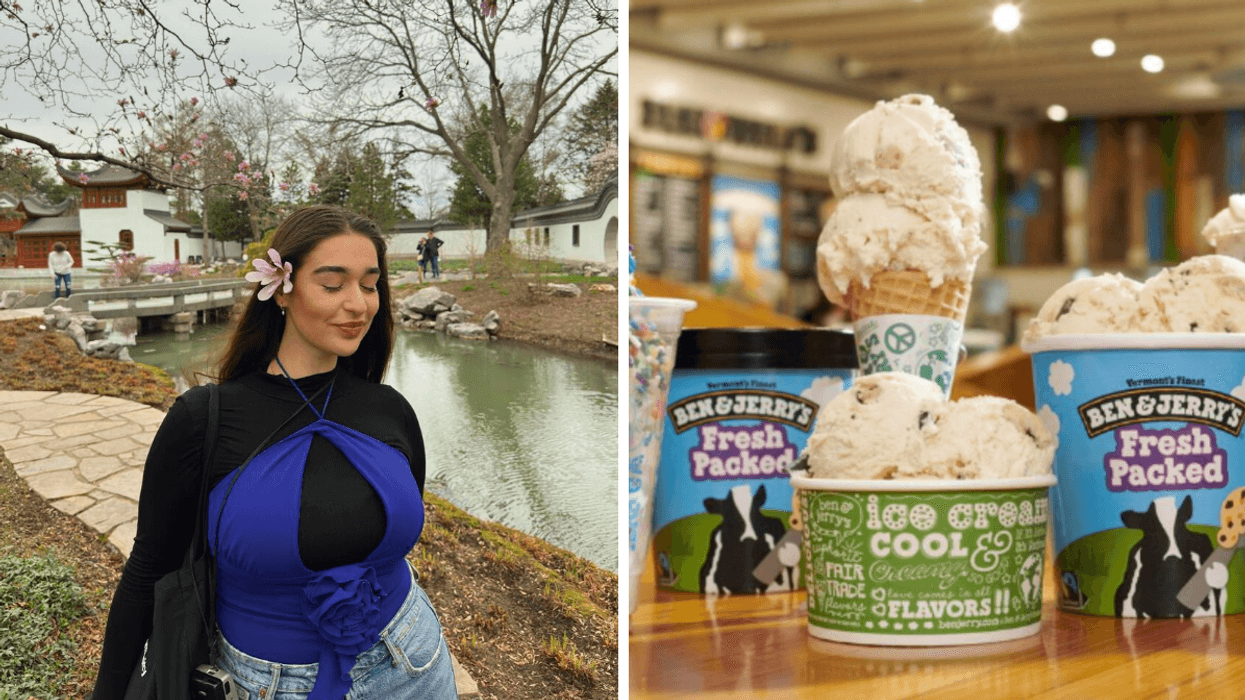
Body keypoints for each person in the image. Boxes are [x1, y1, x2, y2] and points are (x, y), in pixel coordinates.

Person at [91, 205, 457, 700]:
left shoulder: (388, 410)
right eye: (333, 285)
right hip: (269, 684)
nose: (359, 305)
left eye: (369, 285)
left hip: (413, 661)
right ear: (281, 289)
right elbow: (147, 571)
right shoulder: (203, 421)